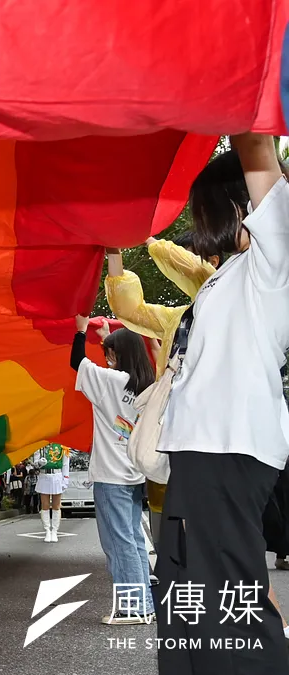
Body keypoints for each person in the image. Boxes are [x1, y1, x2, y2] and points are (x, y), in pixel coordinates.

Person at [154, 134, 289, 674]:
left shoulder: (271, 266)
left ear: (240, 206)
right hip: (202, 456)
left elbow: (258, 151)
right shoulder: (232, 276)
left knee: (223, 610)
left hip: (226, 453)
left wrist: (242, 103)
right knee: (184, 596)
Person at [103, 232, 217, 550]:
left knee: (209, 546)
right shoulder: (174, 318)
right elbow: (129, 308)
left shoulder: (231, 304)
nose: (183, 268)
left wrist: (149, 240)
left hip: (214, 443)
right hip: (171, 437)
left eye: (194, 257)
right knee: (168, 538)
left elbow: (197, 274)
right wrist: (114, 247)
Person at [72, 317, 155, 625]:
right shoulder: (146, 385)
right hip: (133, 475)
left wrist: (81, 331)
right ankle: (144, 603)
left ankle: (134, 607)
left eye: (110, 354)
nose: (106, 359)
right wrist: (108, 338)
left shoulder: (110, 382)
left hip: (110, 476)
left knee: (119, 544)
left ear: (119, 356)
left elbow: (76, 362)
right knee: (132, 540)